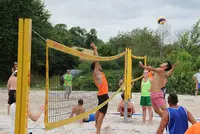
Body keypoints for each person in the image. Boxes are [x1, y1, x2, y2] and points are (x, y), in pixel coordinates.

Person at [90, 43, 109, 134]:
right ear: (96, 67)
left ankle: (96, 124)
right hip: (103, 95)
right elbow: (96, 59)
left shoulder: (98, 73)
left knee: (99, 109)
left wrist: (94, 51)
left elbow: (96, 60)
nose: (100, 65)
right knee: (102, 113)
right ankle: (98, 130)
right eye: (98, 65)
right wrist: (95, 49)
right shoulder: (96, 72)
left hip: (101, 95)